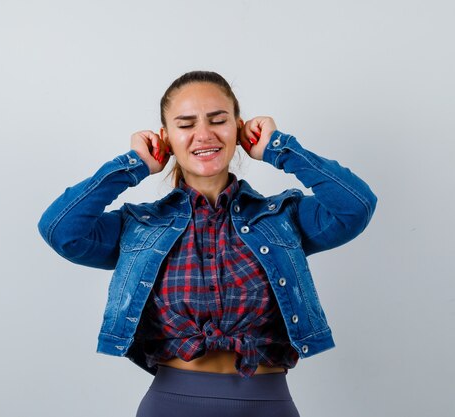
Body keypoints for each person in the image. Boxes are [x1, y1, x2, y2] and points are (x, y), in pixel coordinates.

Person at [38, 71, 377, 416]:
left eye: (218, 120)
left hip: (268, 406)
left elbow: (356, 206)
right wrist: (132, 166)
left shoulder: (282, 219)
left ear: (239, 129)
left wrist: (279, 148)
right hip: (171, 406)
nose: (204, 134)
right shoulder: (140, 227)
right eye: (185, 125)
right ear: (166, 138)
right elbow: (60, 230)